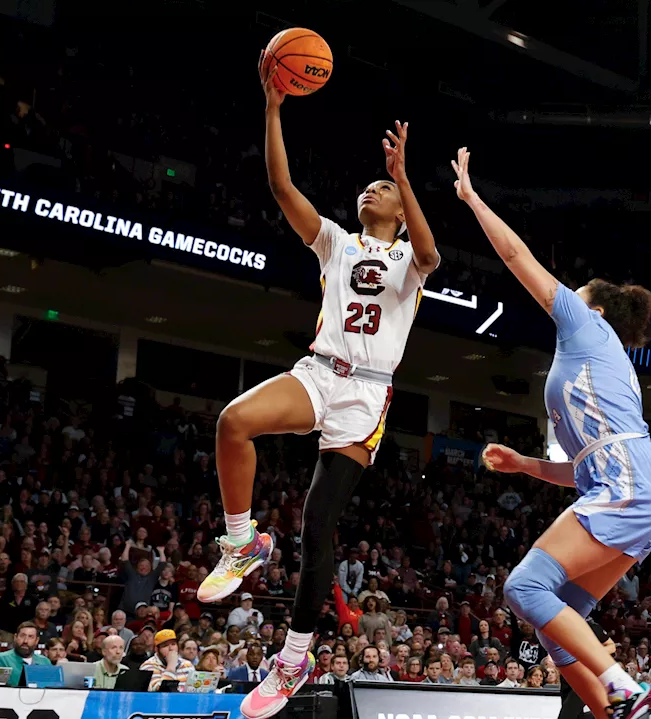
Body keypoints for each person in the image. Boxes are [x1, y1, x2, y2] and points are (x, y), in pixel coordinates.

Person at [201, 53, 439, 719]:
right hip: (319, 370)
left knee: (316, 523)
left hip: (366, 394)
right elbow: (282, 188)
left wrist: (404, 177)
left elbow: (430, 253)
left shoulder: (408, 262)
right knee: (232, 422)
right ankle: (241, 539)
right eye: (369, 185)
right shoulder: (335, 241)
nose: (373, 191)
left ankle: (295, 655)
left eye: (382, 189)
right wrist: (274, 107)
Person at [453, 148, 651, 719]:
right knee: (556, 622)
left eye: (578, 294)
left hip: (628, 482)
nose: (568, 296)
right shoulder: (606, 363)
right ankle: (618, 711)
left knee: (523, 589)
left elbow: (516, 254)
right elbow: (581, 470)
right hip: (631, 481)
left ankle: (626, 687)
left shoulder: (586, 326)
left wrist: (474, 199)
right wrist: (528, 465)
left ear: (593, 308)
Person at [0, 623, 50, 687]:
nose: (25, 641)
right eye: (22, 636)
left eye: (30, 637)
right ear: (15, 637)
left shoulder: (45, 662)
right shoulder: (1, 659)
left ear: (37, 640)